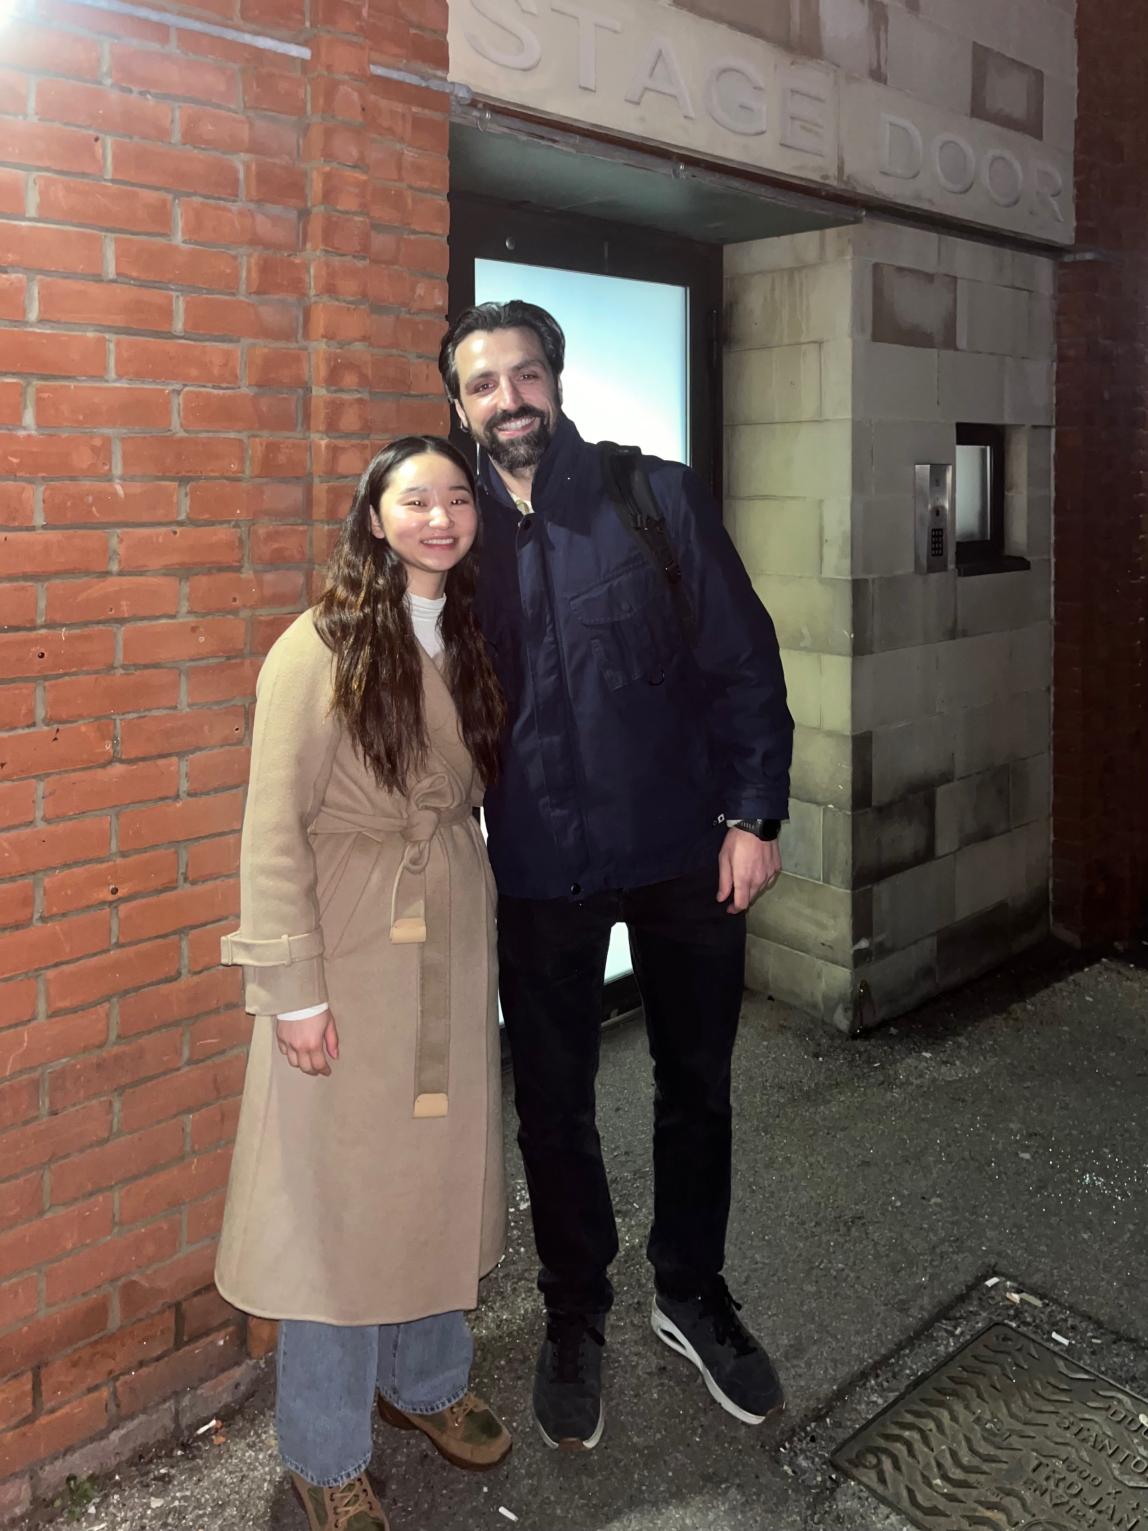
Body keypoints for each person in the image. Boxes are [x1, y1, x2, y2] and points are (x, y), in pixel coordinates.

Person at [438, 300, 795, 1452]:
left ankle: (690, 1290)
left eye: (524, 375)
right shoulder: (455, 539)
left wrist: (753, 813)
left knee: (696, 1083)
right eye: (483, 384)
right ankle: (572, 1313)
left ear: (557, 379)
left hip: (686, 847)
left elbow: (743, 660)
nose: (508, 401)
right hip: (541, 864)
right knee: (553, 1099)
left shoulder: (656, 498)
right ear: (459, 406)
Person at [215, 437, 510, 1531]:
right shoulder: (318, 644)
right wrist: (292, 989)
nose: (439, 515)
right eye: (414, 499)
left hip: (446, 935)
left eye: (455, 497)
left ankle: (426, 1381)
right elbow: (271, 831)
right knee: (335, 1210)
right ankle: (324, 1449)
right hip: (349, 950)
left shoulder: (466, 632)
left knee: (435, 1176)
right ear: (374, 518)